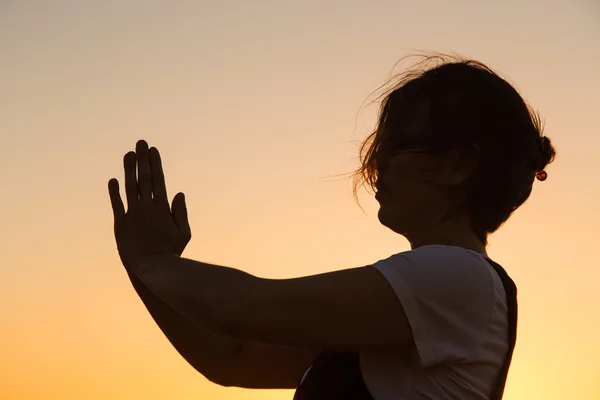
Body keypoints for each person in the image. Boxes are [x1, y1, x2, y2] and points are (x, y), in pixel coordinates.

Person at [108, 54, 556, 400]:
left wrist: (153, 260)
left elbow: (237, 306)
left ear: (457, 165)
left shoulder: (456, 278)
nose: (377, 163)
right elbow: (231, 358)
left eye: (394, 145)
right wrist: (142, 267)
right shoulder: (430, 298)